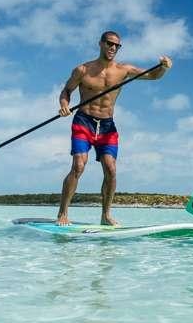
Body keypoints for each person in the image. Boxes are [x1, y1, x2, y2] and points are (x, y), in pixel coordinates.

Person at [55, 31, 172, 226]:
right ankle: (63, 212)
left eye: (117, 45)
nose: (113, 48)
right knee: (78, 166)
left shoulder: (124, 70)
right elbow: (66, 91)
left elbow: (153, 75)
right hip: (83, 122)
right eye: (110, 43)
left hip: (107, 126)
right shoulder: (83, 70)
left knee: (111, 169)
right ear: (101, 43)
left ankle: (106, 215)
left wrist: (164, 68)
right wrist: (64, 104)